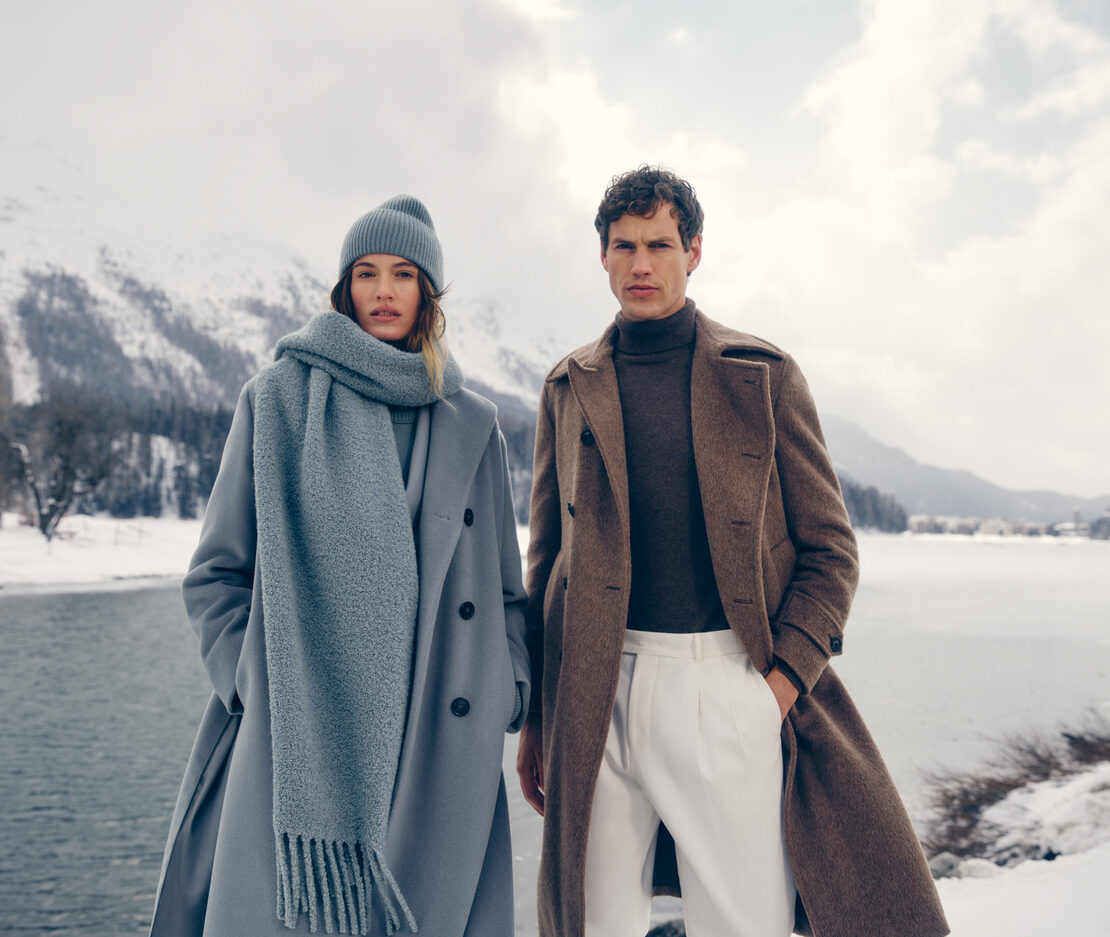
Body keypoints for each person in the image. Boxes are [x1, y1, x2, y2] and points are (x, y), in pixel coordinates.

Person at [515, 167, 948, 937]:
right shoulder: (567, 384)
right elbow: (546, 562)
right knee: (591, 922)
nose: (641, 264)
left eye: (659, 244)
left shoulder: (762, 375)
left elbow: (831, 551)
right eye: (624, 246)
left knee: (742, 923)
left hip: (724, 685)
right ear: (603, 257)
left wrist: (777, 685)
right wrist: (541, 719)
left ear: (695, 251)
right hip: (592, 689)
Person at [149, 195, 530, 936]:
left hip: (439, 739)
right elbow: (216, 576)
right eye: (366, 273)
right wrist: (255, 682)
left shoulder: (474, 426)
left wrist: (506, 689)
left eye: (402, 274)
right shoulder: (279, 402)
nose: (383, 291)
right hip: (298, 743)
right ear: (344, 288)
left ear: (429, 293)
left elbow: (506, 595)